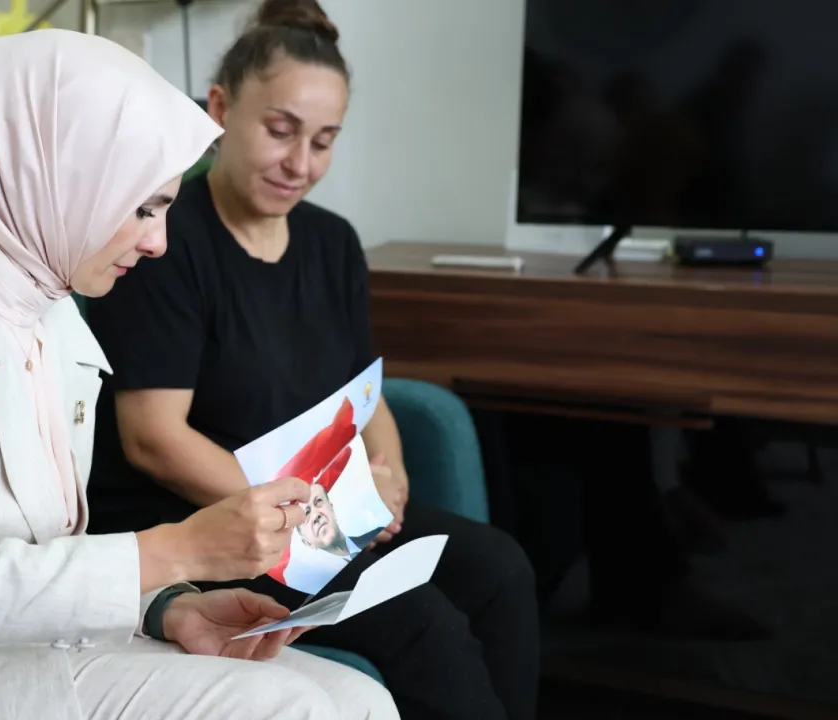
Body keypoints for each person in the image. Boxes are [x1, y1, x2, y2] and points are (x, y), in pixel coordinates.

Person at [0, 28, 398, 720]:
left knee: (362, 701)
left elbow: (47, 551)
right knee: (296, 709)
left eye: (164, 208)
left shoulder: (51, 303)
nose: (158, 242)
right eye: (143, 208)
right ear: (58, 179)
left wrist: (166, 607)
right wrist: (177, 551)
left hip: (46, 641)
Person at [84, 1, 541, 718]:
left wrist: (389, 477)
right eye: (280, 131)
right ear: (220, 110)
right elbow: (153, 439)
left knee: (501, 570)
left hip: (322, 512)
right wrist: (305, 518)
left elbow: (366, 390)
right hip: (209, 517)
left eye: (323, 142)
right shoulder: (165, 240)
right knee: (426, 625)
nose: (301, 164)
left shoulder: (332, 243)